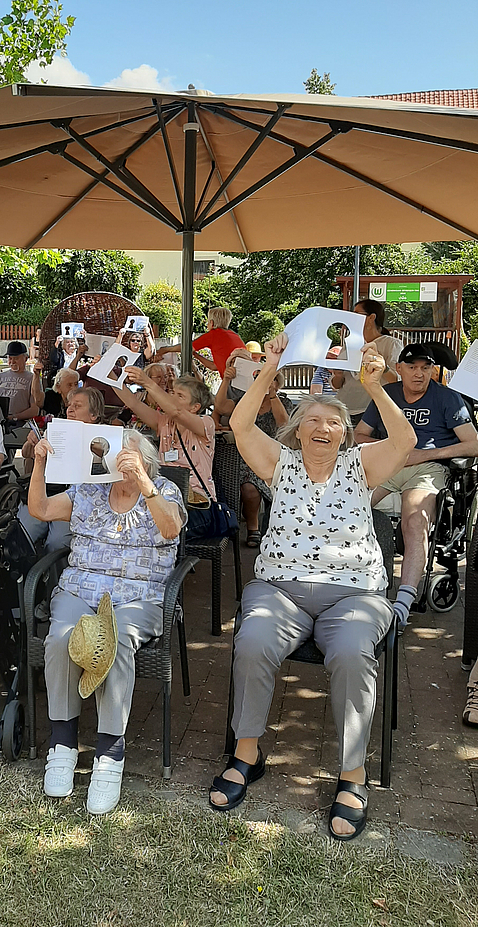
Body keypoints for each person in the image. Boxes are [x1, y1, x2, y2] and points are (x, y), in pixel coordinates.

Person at [210, 333, 416, 840]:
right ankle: (247, 754)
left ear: (345, 435)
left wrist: (375, 387)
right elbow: (239, 423)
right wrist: (269, 367)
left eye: (334, 422)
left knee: (350, 656)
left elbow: (406, 442)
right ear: (296, 431)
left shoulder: (360, 467)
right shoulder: (279, 466)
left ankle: (352, 776)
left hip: (354, 595)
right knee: (253, 639)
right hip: (280, 589)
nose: (323, 427)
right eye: (313, 421)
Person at [29, 428, 186, 814]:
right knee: (60, 639)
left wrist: (146, 483)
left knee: (112, 643)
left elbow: (172, 528)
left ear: (145, 459)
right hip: (81, 588)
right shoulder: (89, 489)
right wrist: (39, 465)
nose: (119, 460)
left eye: (127, 453)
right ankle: (62, 744)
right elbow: (41, 510)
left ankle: (110, 754)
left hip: (139, 595)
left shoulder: (164, 490)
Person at [354, 342, 478, 627]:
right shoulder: (387, 395)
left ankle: (403, 604)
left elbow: (474, 444)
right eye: (411, 367)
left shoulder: (448, 398)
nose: (419, 374)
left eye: (425, 368)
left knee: (415, 522)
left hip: (427, 468)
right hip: (389, 462)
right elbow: (360, 435)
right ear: (398, 369)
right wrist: (392, 449)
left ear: (433, 370)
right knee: (351, 508)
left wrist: (426, 454)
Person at [115, 368, 216, 527]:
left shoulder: (206, 424)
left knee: (144, 526)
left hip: (196, 506)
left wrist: (147, 382)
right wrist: (109, 374)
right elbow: (133, 403)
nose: (171, 398)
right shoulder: (164, 422)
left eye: (180, 396)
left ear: (195, 407)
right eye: (172, 393)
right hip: (164, 500)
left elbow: (177, 412)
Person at [18, 387, 106, 552]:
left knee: (57, 543)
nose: (70, 409)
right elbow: (25, 454)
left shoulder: (105, 439)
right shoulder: (56, 431)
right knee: (22, 535)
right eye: (69, 405)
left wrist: (88, 443)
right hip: (48, 492)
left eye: (77, 406)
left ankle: (49, 575)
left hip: (78, 501)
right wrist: (32, 443)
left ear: (93, 415)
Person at [214, 363, 291, 547]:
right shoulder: (245, 400)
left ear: (277, 383)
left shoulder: (283, 401)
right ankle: (253, 528)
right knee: (248, 486)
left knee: (255, 484)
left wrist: (271, 394)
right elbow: (221, 407)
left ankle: (267, 528)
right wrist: (225, 380)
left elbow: (284, 424)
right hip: (243, 452)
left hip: (270, 454)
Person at [331, 300, 403, 424]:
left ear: (371, 318)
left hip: (372, 411)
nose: (352, 318)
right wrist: (338, 375)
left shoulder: (391, 344)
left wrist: (381, 366)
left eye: (357, 314)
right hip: (343, 408)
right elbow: (336, 385)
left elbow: (397, 380)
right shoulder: (349, 344)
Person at [157, 307, 245, 376]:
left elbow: (187, 348)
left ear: (211, 323)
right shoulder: (234, 336)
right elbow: (214, 366)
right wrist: (195, 355)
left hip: (234, 381)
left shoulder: (214, 334)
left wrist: (165, 349)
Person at [0, 340, 44, 423]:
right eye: (10, 358)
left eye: (16, 358)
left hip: (20, 423)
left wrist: (14, 417)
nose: (12, 362)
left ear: (25, 358)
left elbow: (35, 409)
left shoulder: (32, 378)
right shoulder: (0, 376)